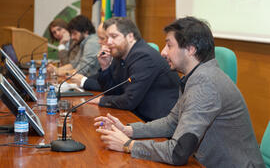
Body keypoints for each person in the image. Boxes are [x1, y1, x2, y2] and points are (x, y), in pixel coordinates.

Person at [94, 17, 265, 167]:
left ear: (190, 49)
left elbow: (177, 152)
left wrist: (128, 145)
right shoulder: (197, 75)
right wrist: (128, 130)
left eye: (169, 45)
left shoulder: (205, 83)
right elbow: (171, 122)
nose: (163, 52)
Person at [87, 17, 180, 122]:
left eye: (114, 36)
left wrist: (101, 100)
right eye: (107, 37)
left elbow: (129, 100)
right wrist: (105, 67)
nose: (108, 42)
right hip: (138, 115)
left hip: (157, 122)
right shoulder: (120, 54)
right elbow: (113, 92)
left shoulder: (144, 56)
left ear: (130, 36)